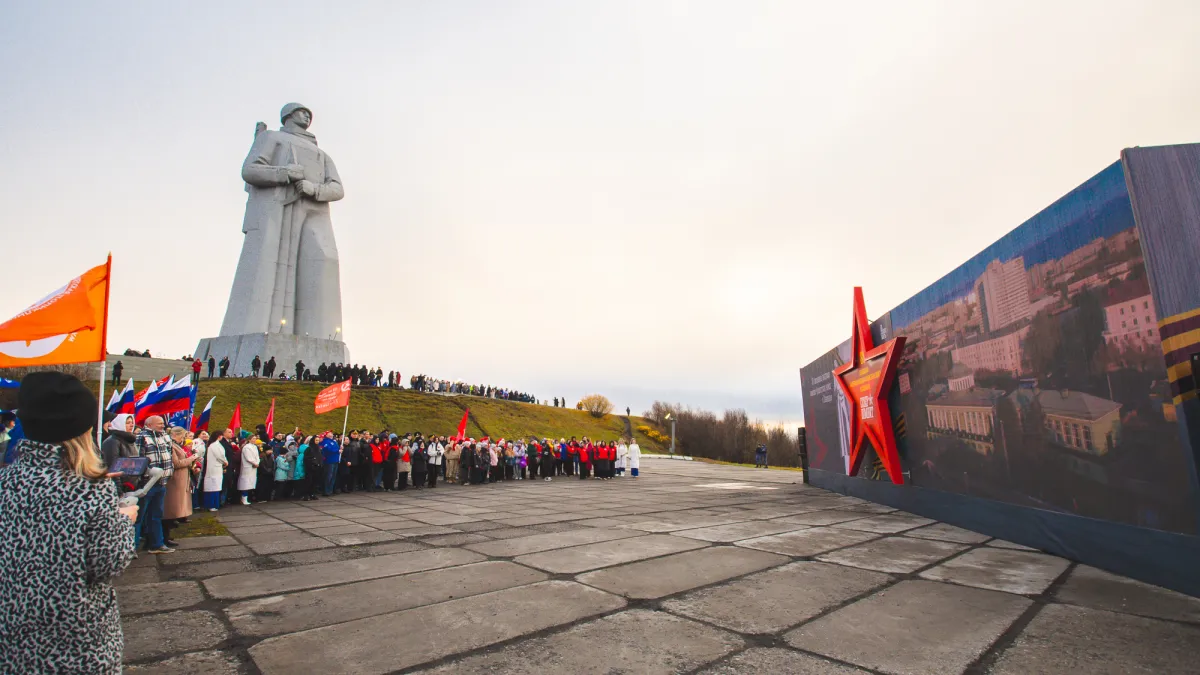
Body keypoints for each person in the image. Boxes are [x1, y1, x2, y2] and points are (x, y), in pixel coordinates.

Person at [0, 372, 138, 675]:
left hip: (12, 635)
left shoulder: (5, 481)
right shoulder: (90, 487)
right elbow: (108, 562)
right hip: (75, 640)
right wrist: (124, 520)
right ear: (82, 429)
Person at [135, 415, 175, 553]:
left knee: (156, 515)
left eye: (163, 423)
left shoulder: (164, 437)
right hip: (147, 483)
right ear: (149, 424)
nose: (162, 425)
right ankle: (131, 547)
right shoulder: (142, 437)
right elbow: (139, 460)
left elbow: (169, 454)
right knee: (139, 516)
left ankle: (156, 544)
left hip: (161, 483)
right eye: (159, 423)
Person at [163, 427, 197, 545]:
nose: (184, 438)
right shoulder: (172, 446)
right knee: (170, 508)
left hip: (180, 480)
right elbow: (176, 463)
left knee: (174, 508)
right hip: (175, 481)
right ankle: (164, 537)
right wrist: (191, 458)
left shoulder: (176, 445)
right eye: (183, 436)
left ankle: (167, 535)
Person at [238, 435, 260, 505]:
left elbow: (257, 456)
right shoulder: (246, 447)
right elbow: (248, 457)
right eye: (253, 438)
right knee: (245, 483)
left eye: (255, 439)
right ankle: (243, 498)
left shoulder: (255, 447)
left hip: (254, 467)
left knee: (250, 483)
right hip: (248, 467)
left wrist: (257, 462)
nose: (254, 440)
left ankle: (246, 498)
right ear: (249, 439)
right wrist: (254, 463)